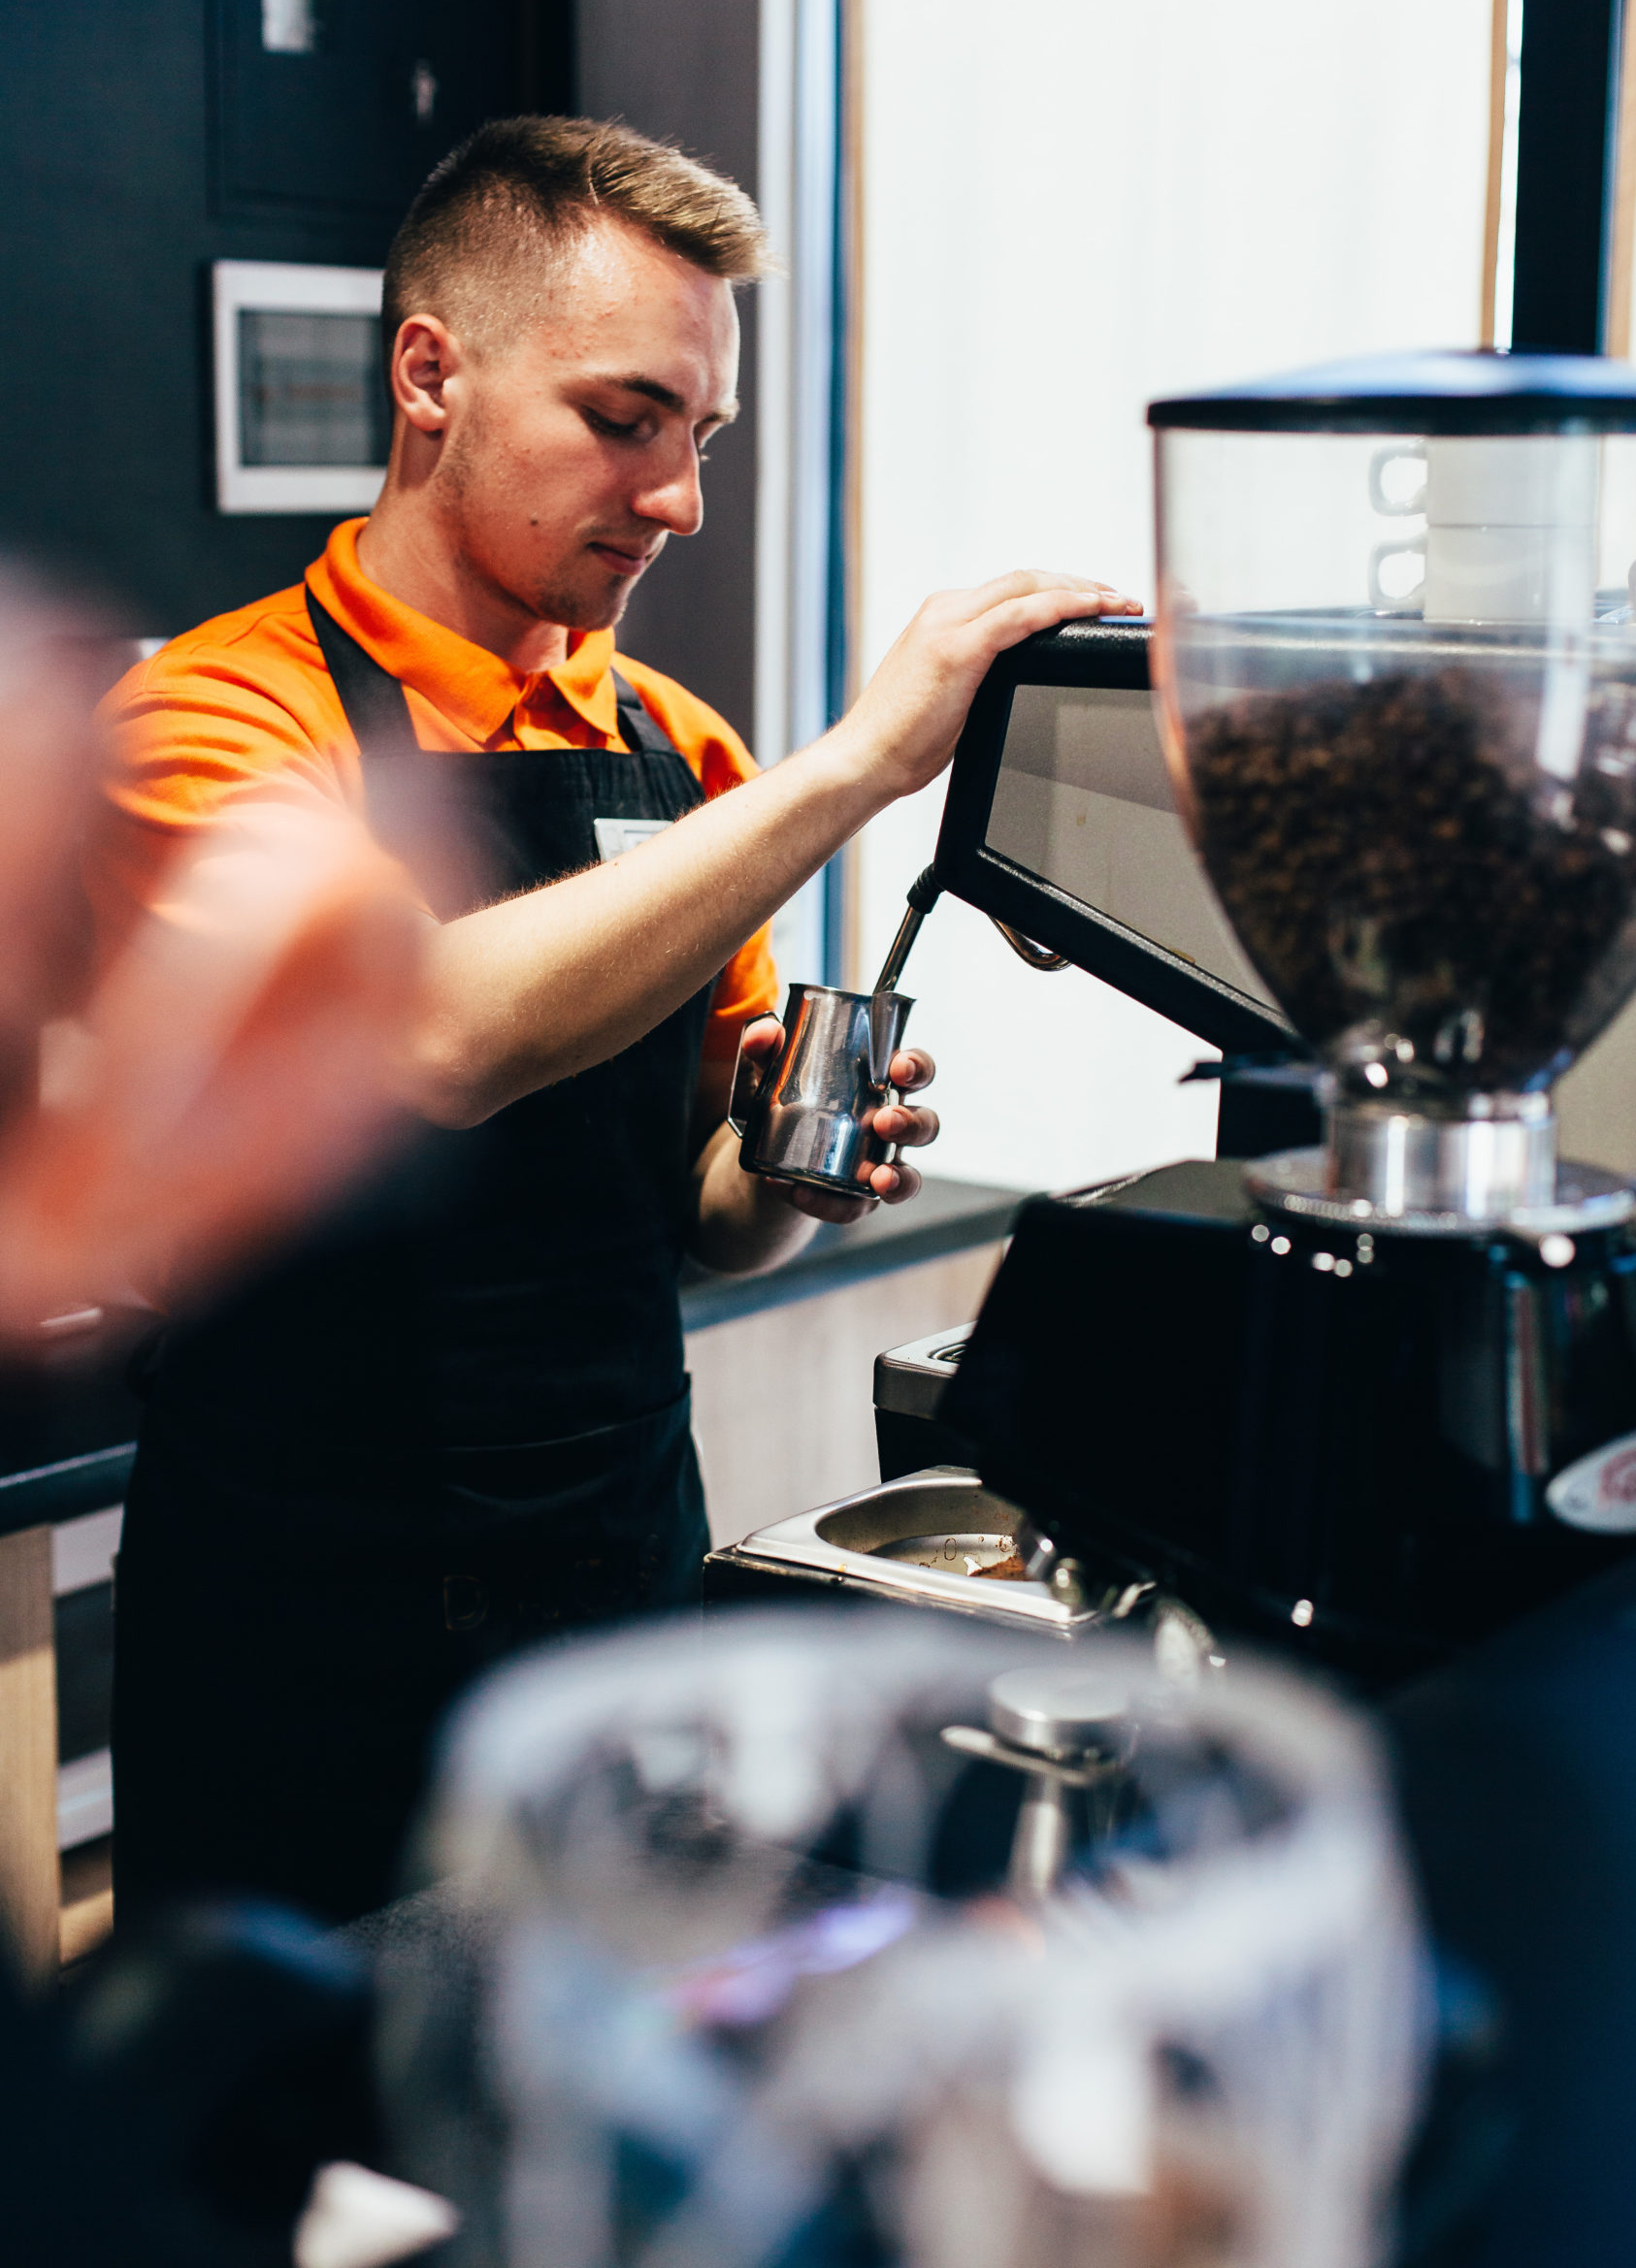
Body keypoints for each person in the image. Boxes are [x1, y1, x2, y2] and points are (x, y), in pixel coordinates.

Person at [85, 115, 1134, 1923]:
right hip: (304, 1617)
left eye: (702, 436)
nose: (681, 501)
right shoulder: (216, 718)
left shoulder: (677, 751)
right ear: (434, 376)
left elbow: (700, 1223)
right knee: (288, 2166)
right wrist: (867, 761)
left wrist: (790, 1175)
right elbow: (427, 1039)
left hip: (614, 1571)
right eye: (624, 419)